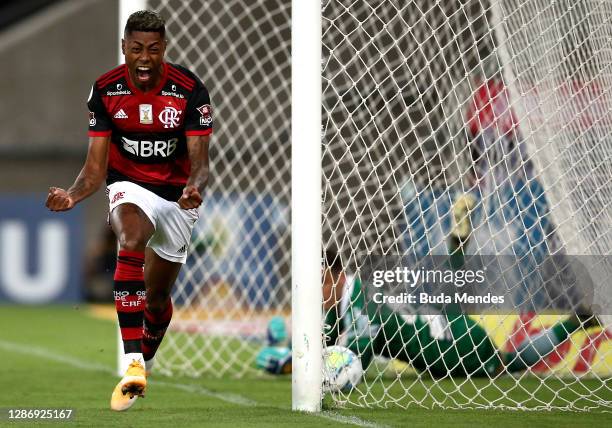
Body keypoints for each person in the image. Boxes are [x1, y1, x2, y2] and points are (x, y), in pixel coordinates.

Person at [45, 10, 213, 411]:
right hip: (129, 186)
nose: (144, 57)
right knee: (131, 237)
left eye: (153, 49)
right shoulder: (105, 90)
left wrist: (194, 188)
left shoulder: (189, 89)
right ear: (124, 47)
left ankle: (147, 359)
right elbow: (95, 169)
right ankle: (133, 360)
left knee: (157, 300)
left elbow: (202, 164)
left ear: (164, 50)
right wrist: (72, 195)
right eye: (136, 48)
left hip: (177, 197)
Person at [257, 230, 598, 379]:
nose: (313, 293)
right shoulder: (348, 302)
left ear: (336, 276)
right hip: (441, 326)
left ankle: (575, 322)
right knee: (454, 306)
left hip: (451, 350)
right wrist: (291, 357)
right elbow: (324, 341)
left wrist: (311, 367)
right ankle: (456, 251)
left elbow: (352, 361)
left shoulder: (362, 307)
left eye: (318, 282)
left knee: (505, 364)